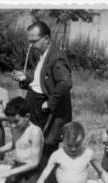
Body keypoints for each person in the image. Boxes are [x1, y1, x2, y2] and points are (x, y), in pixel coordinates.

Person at [10, 20, 72, 164]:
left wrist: (50, 103)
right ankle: (28, 176)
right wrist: (26, 79)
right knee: (31, 142)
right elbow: (43, 82)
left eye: (34, 41)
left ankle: (42, 180)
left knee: (44, 147)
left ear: (46, 39)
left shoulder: (57, 57)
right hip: (34, 105)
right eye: (29, 42)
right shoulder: (44, 54)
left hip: (44, 111)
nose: (31, 45)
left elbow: (65, 83)